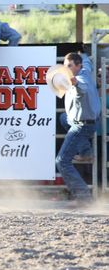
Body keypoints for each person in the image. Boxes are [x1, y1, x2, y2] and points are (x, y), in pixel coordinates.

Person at [48, 53, 100, 205]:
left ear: (78, 66)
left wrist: (74, 82)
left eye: (69, 65)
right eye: (65, 65)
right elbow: (85, 59)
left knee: (62, 161)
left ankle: (84, 198)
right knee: (63, 117)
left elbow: (81, 88)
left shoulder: (81, 79)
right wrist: (82, 53)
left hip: (82, 125)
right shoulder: (85, 68)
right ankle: (86, 152)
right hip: (86, 120)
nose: (66, 69)